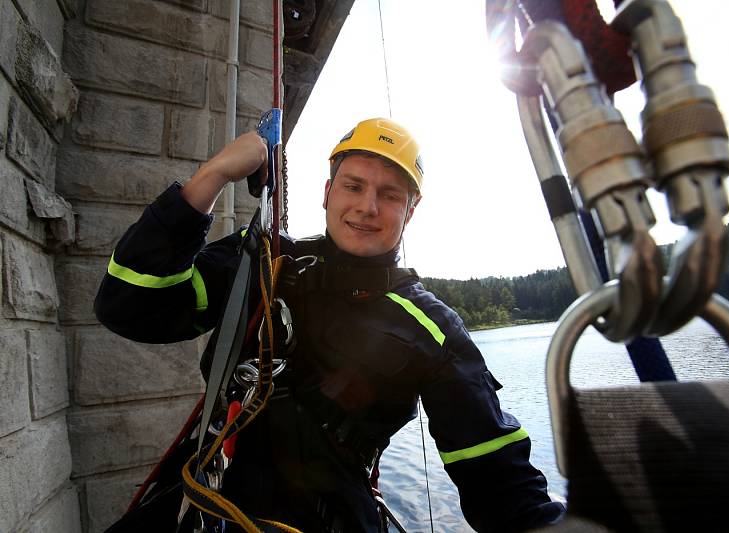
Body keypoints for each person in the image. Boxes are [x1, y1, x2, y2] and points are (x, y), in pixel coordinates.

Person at [95, 117, 565, 532]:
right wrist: (212, 175)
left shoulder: (431, 329)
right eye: (354, 186)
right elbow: (129, 305)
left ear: (411, 211)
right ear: (327, 192)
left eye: (389, 194)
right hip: (204, 502)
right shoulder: (264, 263)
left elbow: (496, 474)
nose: (367, 207)